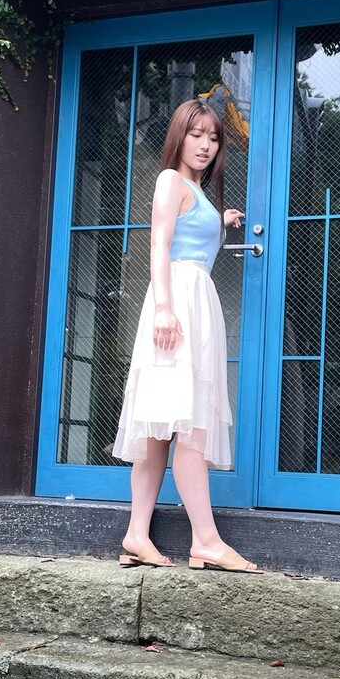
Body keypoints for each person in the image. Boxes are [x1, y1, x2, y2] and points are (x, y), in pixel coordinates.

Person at [112, 98, 260, 573]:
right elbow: (159, 244)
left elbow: (189, 235)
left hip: (192, 305)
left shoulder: (195, 190)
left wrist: (221, 220)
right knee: (186, 425)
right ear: (179, 136)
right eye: (196, 135)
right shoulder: (170, 181)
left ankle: (137, 534)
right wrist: (163, 309)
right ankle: (207, 541)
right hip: (176, 305)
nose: (205, 145)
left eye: (213, 138)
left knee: (162, 427)